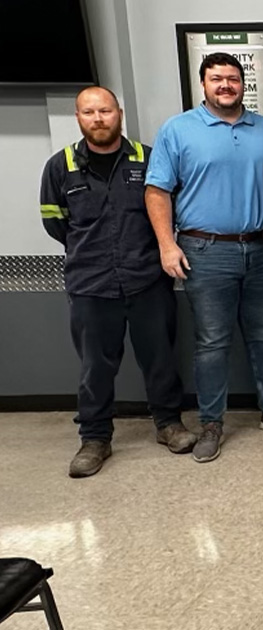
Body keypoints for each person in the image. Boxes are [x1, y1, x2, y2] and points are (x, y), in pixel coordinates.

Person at [146, 52, 263, 464]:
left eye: (233, 79)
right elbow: (157, 190)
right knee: (213, 342)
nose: (225, 85)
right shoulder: (178, 130)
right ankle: (211, 423)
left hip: (260, 247)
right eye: (216, 78)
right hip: (205, 250)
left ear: (243, 84)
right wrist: (167, 244)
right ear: (203, 84)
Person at [39, 86, 193, 478]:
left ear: (118, 113)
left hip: (147, 280)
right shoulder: (61, 166)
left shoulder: (148, 159)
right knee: (95, 367)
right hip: (91, 285)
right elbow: (56, 223)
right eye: (89, 112)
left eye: (105, 111)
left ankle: (168, 424)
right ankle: (94, 438)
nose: (98, 119)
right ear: (78, 118)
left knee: (159, 358)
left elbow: (165, 211)